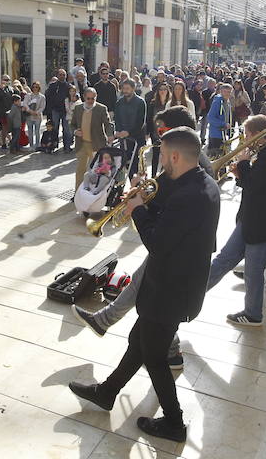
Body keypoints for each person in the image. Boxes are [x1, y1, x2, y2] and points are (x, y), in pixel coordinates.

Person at [68, 128, 219, 442]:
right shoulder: (200, 183)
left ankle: (174, 423)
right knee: (140, 340)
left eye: (162, 155)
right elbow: (170, 218)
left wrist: (137, 208)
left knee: (152, 355)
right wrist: (142, 193)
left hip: (171, 289)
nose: (160, 161)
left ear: (175, 156)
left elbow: (157, 243)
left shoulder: (189, 196)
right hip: (175, 284)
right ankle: (107, 392)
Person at [204, 114, 266, 325]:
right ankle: (191, 290)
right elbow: (256, 187)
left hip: (265, 226)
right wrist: (241, 171)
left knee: (252, 271)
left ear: (254, 134)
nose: (244, 138)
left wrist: (242, 165)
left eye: (246, 133)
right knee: (224, 259)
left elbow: (256, 186)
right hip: (252, 220)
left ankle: (253, 314)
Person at [71, 88, 113, 190]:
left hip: (97, 144)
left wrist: (110, 135)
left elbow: (108, 124)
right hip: (82, 144)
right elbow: (72, 124)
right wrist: (76, 131)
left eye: (93, 98)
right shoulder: (78, 108)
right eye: (88, 98)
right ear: (84, 97)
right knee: (80, 170)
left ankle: (93, 192)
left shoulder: (101, 108)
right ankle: (78, 193)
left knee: (95, 170)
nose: (90, 101)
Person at [114, 80, 147, 179]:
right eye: (123, 88)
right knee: (126, 161)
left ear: (133, 89)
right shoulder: (119, 102)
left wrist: (129, 132)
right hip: (124, 137)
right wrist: (119, 131)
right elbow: (117, 118)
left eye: (127, 89)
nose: (125, 91)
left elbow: (140, 121)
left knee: (137, 162)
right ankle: (132, 182)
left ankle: (140, 184)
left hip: (137, 137)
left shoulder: (140, 102)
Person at [146, 83, 171, 177]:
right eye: (161, 89)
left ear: (168, 91)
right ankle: (153, 177)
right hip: (155, 133)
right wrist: (147, 132)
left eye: (165, 89)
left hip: (168, 133)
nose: (163, 91)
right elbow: (149, 118)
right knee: (155, 155)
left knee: (166, 156)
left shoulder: (170, 103)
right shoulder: (153, 103)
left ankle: (162, 176)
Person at [45, 70, 73, 153]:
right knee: (54, 129)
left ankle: (67, 146)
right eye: (60, 74)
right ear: (57, 75)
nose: (62, 76)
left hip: (66, 111)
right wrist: (48, 111)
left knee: (66, 130)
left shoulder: (69, 86)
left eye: (63, 75)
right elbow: (47, 97)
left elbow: (73, 97)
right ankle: (53, 145)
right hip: (55, 110)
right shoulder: (52, 86)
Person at [207, 83, 234, 155]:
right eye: (225, 91)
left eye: (229, 92)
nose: (227, 94)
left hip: (222, 133)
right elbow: (210, 118)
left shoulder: (227, 102)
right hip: (216, 134)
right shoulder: (218, 101)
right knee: (217, 157)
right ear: (221, 91)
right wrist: (223, 124)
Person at [23, 81, 46, 151]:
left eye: (36, 87)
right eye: (33, 87)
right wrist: (30, 111)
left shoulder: (42, 97)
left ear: (39, 88)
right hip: (29, 115)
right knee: (30, 131)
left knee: (37, 131)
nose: (35, 88)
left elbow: (43, 106)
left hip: (37, 116)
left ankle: (37, 145)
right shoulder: (28, 95)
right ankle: (31, 145)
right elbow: (25, 104)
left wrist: (37, 112)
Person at [0, 75, 14, 149]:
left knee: (10, 128)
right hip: (2, 112)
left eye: (8, 80)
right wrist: (1, 89)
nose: (7, 81)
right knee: (4, 127)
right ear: (2, 80)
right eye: (5, 79)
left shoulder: (11, 89)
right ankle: (4, 143)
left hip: (11, 111)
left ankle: (10, 141)